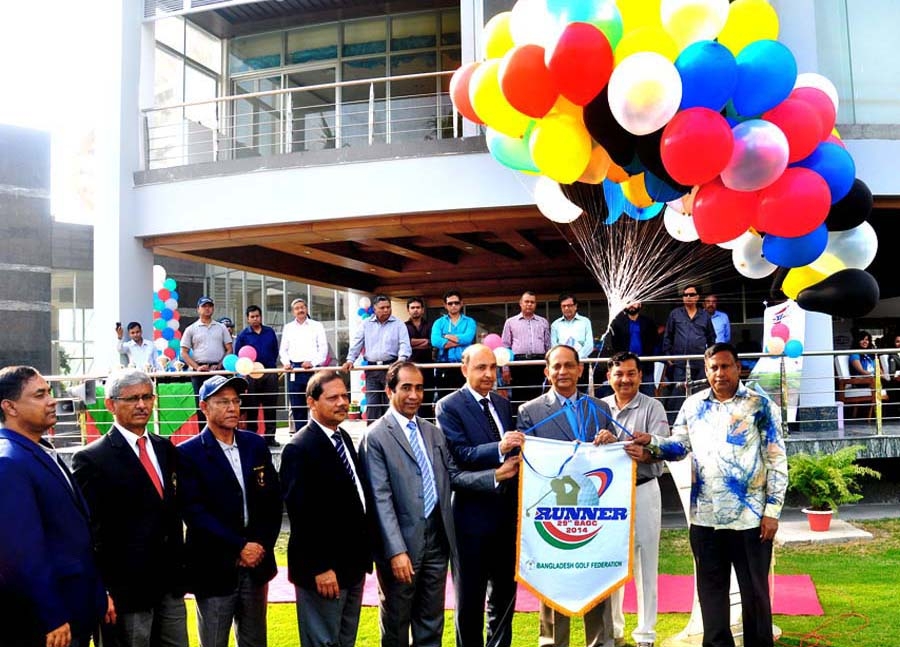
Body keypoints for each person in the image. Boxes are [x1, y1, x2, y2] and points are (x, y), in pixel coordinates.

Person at [626, 343, 788, 647]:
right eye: (713, 367)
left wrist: (772, 512)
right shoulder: (693, 405)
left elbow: (777, 460)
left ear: (739, 368)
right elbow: (679, 446)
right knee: (712, 599)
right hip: (705, 520)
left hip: (751, 521)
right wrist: (652, 443)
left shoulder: (760, 405)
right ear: (706, 370)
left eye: (726, 366)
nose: (719, 373)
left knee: (754, 596)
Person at [361, 361, 519, 647]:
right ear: (388, 391)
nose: (414, 395)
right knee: (396, 628)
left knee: (431, 626)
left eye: (419, 388)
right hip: (402, 549)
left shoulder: (432, 432)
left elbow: (454, 477)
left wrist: (495, 475)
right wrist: (396, 551)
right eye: (406, 388)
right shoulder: (376, 436)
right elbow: (380, 499)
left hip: (437, 543)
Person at [72, 369, 188, 647]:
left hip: (170, 586)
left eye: (147, 397)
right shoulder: (91, 459)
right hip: (126, 592)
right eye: (132, 398)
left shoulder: (166, 449)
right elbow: (90, 531)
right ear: (110, 404)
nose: (141, 405)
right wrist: (103, 588)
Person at [0, 365, 108, 647]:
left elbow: (76, 536)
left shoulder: (42, 450)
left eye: (49, 392)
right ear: (9, 407)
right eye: (39, 395)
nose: (52, 401)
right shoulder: (8, 462)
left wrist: (97, 594)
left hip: (77, 608)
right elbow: (21, 555)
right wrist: (51, 615)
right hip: (50, 623)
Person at [516, 345, 614, 647]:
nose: (562, 372)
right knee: (554, 584)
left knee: (597, 580)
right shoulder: (529, 411)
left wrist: (612, 441)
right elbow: (525, 465)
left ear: (580, 370)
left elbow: (615, 459)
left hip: (593, 514)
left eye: (569, 366)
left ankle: (601, 642)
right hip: (553, 517)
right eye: (556, 366)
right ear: (546, 371)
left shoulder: (600, 408)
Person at [177, 375, 282, 647]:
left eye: (236, 401)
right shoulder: (187, 454)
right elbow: (195, 513)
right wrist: (239, 547)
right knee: (213, 641)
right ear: (204, 407)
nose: (232, 408)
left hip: (256, 564)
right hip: (214, 566)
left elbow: (271, 501)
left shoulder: (255, 444)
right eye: (223, 402)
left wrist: (259, 545)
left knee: (255, 639)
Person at [434, 344, 524, 647]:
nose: (488, 374)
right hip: (470, 521)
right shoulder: (448, 406)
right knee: (470, 602)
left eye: (492, 368)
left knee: (504, 599)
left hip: (506, 519)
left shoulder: (501, 403)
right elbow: (460, 454)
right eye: (480, 368)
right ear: (464, 369)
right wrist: (499, 448)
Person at [280, 371, 372, 647]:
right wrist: (320, 567)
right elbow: (302, 515)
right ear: (311, 402)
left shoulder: (341, 436)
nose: (342, 402)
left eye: (345, 395)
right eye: (333, 397)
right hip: (323, 571)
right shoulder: (299, 448)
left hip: (352, 565)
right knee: (323, 642)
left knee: (345, 641)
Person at [596, 353, 670, 647]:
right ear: (608, 377)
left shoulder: (653, 406)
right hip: (607, 495)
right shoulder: (600, 407)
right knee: (609, 561)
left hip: (644, 488)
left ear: (640, 375)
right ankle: (613, 631)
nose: (624, 379)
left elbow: (664, 450)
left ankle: (645, 634)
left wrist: (647, 453)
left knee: (645, 562)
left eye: (631, 373)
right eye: (618, 374)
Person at [342, 296, 412, 422]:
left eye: (388, 307)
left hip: (391, 368)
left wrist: (401, 360)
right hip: (372, 369)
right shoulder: (366, 324)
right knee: (373, 405)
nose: (386, 310)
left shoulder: (398, 324)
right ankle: (373, 436)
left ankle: (391, 437)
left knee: (390, 404)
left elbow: (404, 344)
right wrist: (350, 360)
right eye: (382, 308)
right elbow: (357, 343)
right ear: (374, 309)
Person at [661, 285, 716, 421]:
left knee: (701, 393)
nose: (688, 297)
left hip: (700, 362)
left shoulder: (704, 315)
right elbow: (668, 336)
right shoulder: (675, 314)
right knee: (678, 394)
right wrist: (668, 357)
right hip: (680, 362)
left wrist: (711, 358)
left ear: (697, 297)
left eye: (691, 295)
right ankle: (674, 423)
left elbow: (711, 338)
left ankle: (699, 421)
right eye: (685, 295)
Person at [180, 296, 233, 421]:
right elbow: (184, 352)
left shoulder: (221, 327)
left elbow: (229, 349)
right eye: (204, 306)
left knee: (221, 402)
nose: (207, 309)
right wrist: (197, 367)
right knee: (202, 405)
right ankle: (204, 437)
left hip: (218, 371)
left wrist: (220, 365)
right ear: (198, 309)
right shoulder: (191, 329)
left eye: (209, 306)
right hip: (199, 371)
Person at [280, 297, 329, 430]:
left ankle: (317, 434)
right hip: (294, 370)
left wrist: (312, 363)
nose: (300, 310)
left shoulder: (316, 326)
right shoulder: (288, 328)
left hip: (312, 370)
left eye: (302, 307)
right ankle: (301, 436)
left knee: (316, 404)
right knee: (297, 406)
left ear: (306, 309)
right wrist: (286, 362)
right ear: (293, 312)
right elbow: (283, 350)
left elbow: (323, 349)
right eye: (297, 308)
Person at [235, 305, 281, 445]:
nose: (255, 319)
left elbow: (274, 351)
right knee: (252, 407)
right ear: (248, 319)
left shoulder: (269, 332)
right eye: (252, 317)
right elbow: (239, 355)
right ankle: (252, 438)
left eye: (257, 316)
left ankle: (270, 437)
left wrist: (268, 366)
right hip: (251, 375)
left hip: (269, 373)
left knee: (270, 407)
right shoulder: (243, 335)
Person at [501, 291, 551, 407]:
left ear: (535, 304)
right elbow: (505, 346)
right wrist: (505, 368)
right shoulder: (510, 322)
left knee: (539, 395)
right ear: (520, 303)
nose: (529, 304)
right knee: (519, 395)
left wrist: (549, 365)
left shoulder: (543, 322)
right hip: (519, 363)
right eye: (526, 301)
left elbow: (548, 346)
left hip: (539, 362)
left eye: (532, 302)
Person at [431, 290, 477, 400]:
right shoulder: (439, 322)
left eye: (456, 303)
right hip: (444, 365)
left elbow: (468, 338)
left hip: (464, 365)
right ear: (445, 305)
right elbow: (435, 341)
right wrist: (459, 340)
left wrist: (446, 336)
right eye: (450, 303)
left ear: (461, 303)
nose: (453, 306)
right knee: (445, 399)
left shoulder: (469, 321)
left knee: (466, 399)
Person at [604, 302, 658, 396]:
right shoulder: (617, 322)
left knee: (648, 394)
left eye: (635, 303)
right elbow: (613, 344)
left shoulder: (648, 321)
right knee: (626, 394)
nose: (632, 305)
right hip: (624, 365)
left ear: (640, 305)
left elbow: (655, 341)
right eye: (629, 303)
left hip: (646, 364)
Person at [406, 297, 436, 420]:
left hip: (427, 366)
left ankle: (426, 424)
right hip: (410, 367)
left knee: (426, 397)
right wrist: (424, 341)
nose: (415, 310)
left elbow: (432, 342)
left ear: (423, 310)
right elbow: (406, 343)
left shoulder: (430, 325)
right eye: (412, 308)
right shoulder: (403, 326)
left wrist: (414, 342)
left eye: (418, 307)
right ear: (408, 310)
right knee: (410, 396)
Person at [550, 293, 594, 361]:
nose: (566, 308)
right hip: (563, 362)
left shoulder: (585, 322)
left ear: (575, 306)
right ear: (561, 307)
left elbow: (589, 345)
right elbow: (554, 346)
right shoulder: (555, 325)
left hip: (581, 361)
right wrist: (565, 358)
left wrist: (576, 358)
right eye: (563, 306)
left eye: (569, 305)